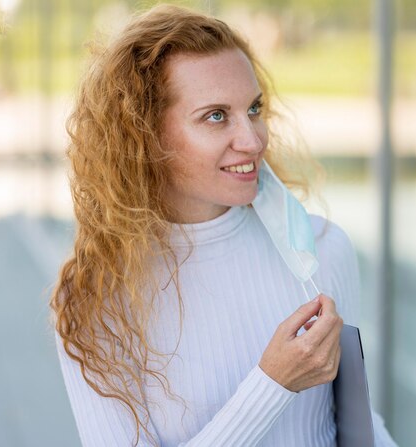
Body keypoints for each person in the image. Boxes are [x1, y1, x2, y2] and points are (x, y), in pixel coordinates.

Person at [51, 4, 397, 446]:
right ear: (144, 136)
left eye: (253, 109)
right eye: (216, 116)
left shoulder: (321, 250)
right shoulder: (96, 299)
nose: (252, 140)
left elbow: (357, 424)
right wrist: (272, 385)